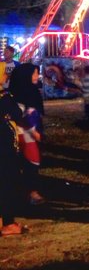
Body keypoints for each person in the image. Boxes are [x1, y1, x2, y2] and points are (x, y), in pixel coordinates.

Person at [9, 64, 45, 205]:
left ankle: (27, 191)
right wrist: (33, 131)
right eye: (35, 73)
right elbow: (21, 116)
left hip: (31, 133)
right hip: (23, 135)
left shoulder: (33, 92)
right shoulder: (17, 95)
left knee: (31, 162)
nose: (37, 76)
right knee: (30, 162)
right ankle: (31, 193)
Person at [0, 63, 26, 236]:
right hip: (5, 149)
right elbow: (17, 113)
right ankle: (8, 223)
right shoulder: (4, 98)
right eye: (3, 73)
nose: (6, 76)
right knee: (6, 183)